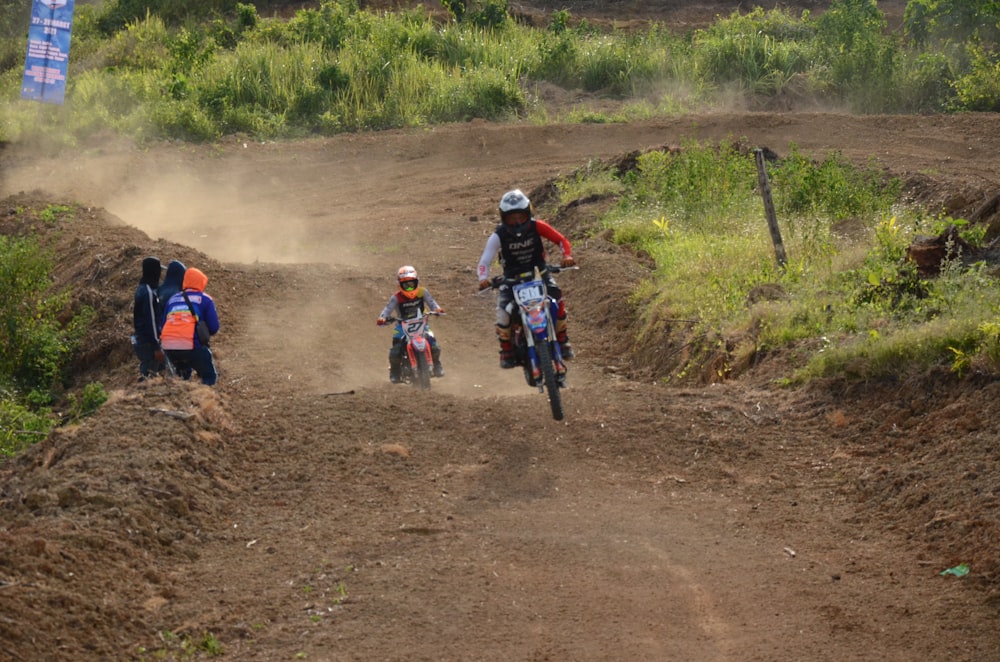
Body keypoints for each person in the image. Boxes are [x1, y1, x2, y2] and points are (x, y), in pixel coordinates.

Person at [477, 188, 576, 368]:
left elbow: (562, 240)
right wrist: (483, 278)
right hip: (511, 279)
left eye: (520, 217)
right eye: (511, 218)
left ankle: (562, 340)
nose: (516, 222)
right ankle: (506, 350)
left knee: (557, 299)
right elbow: (485, 260)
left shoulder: (537, 226)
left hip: (539, 272)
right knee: (503, 312)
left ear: (528, 213)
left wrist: (567, 256)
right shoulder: (498, 235)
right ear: (503, 217)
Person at [376, 265, 445, 383]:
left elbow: (432, 303)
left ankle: (437, 365)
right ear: (399, 285)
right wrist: (382, 318)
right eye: (406, 285)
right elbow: (387, 310)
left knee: (434, 345)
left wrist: (438, 310)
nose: (409, 287)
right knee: (396, 349)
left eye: (411, 284)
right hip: (402, 326)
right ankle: (395, 371)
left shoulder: (423, 292)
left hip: (422, 324)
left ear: (416, 281)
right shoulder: (396, 297)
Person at [160, 267, 220, 385]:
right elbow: (214, 327)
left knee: (181, 375)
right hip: (191, 344)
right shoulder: (205, 299)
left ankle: (180, 395)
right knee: (208, 375)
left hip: (168, 346)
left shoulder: (173, 299)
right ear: (202, 282)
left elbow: (163, 324)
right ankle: (204, 398)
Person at [132, 256, 165, 380]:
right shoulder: (148, 293)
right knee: (149, 373)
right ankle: (141, 395)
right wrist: (157, 347)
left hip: (142, 339)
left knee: (155, 370)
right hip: (149, 342)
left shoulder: (142, 288)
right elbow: (151, 321)